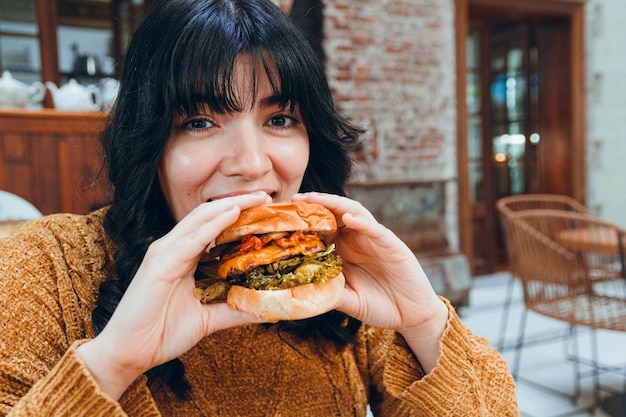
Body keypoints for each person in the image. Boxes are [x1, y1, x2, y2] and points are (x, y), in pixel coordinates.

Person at [0, 0, 519, 415]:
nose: (251, 164)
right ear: (147, 141)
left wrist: (425, 322)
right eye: (198, 122)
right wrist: (112, 363)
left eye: (280, 119)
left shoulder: (334, 275)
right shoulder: (44, 267)